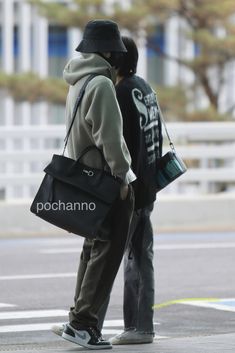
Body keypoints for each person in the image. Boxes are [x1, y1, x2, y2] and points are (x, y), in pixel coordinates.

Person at [52, 20, 136, 350]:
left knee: (92, 250)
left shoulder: (78, 81)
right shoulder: (101, 85)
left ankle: (79, 320)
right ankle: (83, 324)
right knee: (108, 253)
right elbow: (111, 140)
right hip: (106, 182)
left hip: (85, 179)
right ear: (108, 52)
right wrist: (123, 177)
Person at [106, 36, 163, 345]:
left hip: (133, 187)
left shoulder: (121, 92)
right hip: (149, 184)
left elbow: (122, 144)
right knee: (140, 257)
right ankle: (141, 326)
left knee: (111, 258)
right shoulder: (144, 87)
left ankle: (90, 324)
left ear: (114, 60)